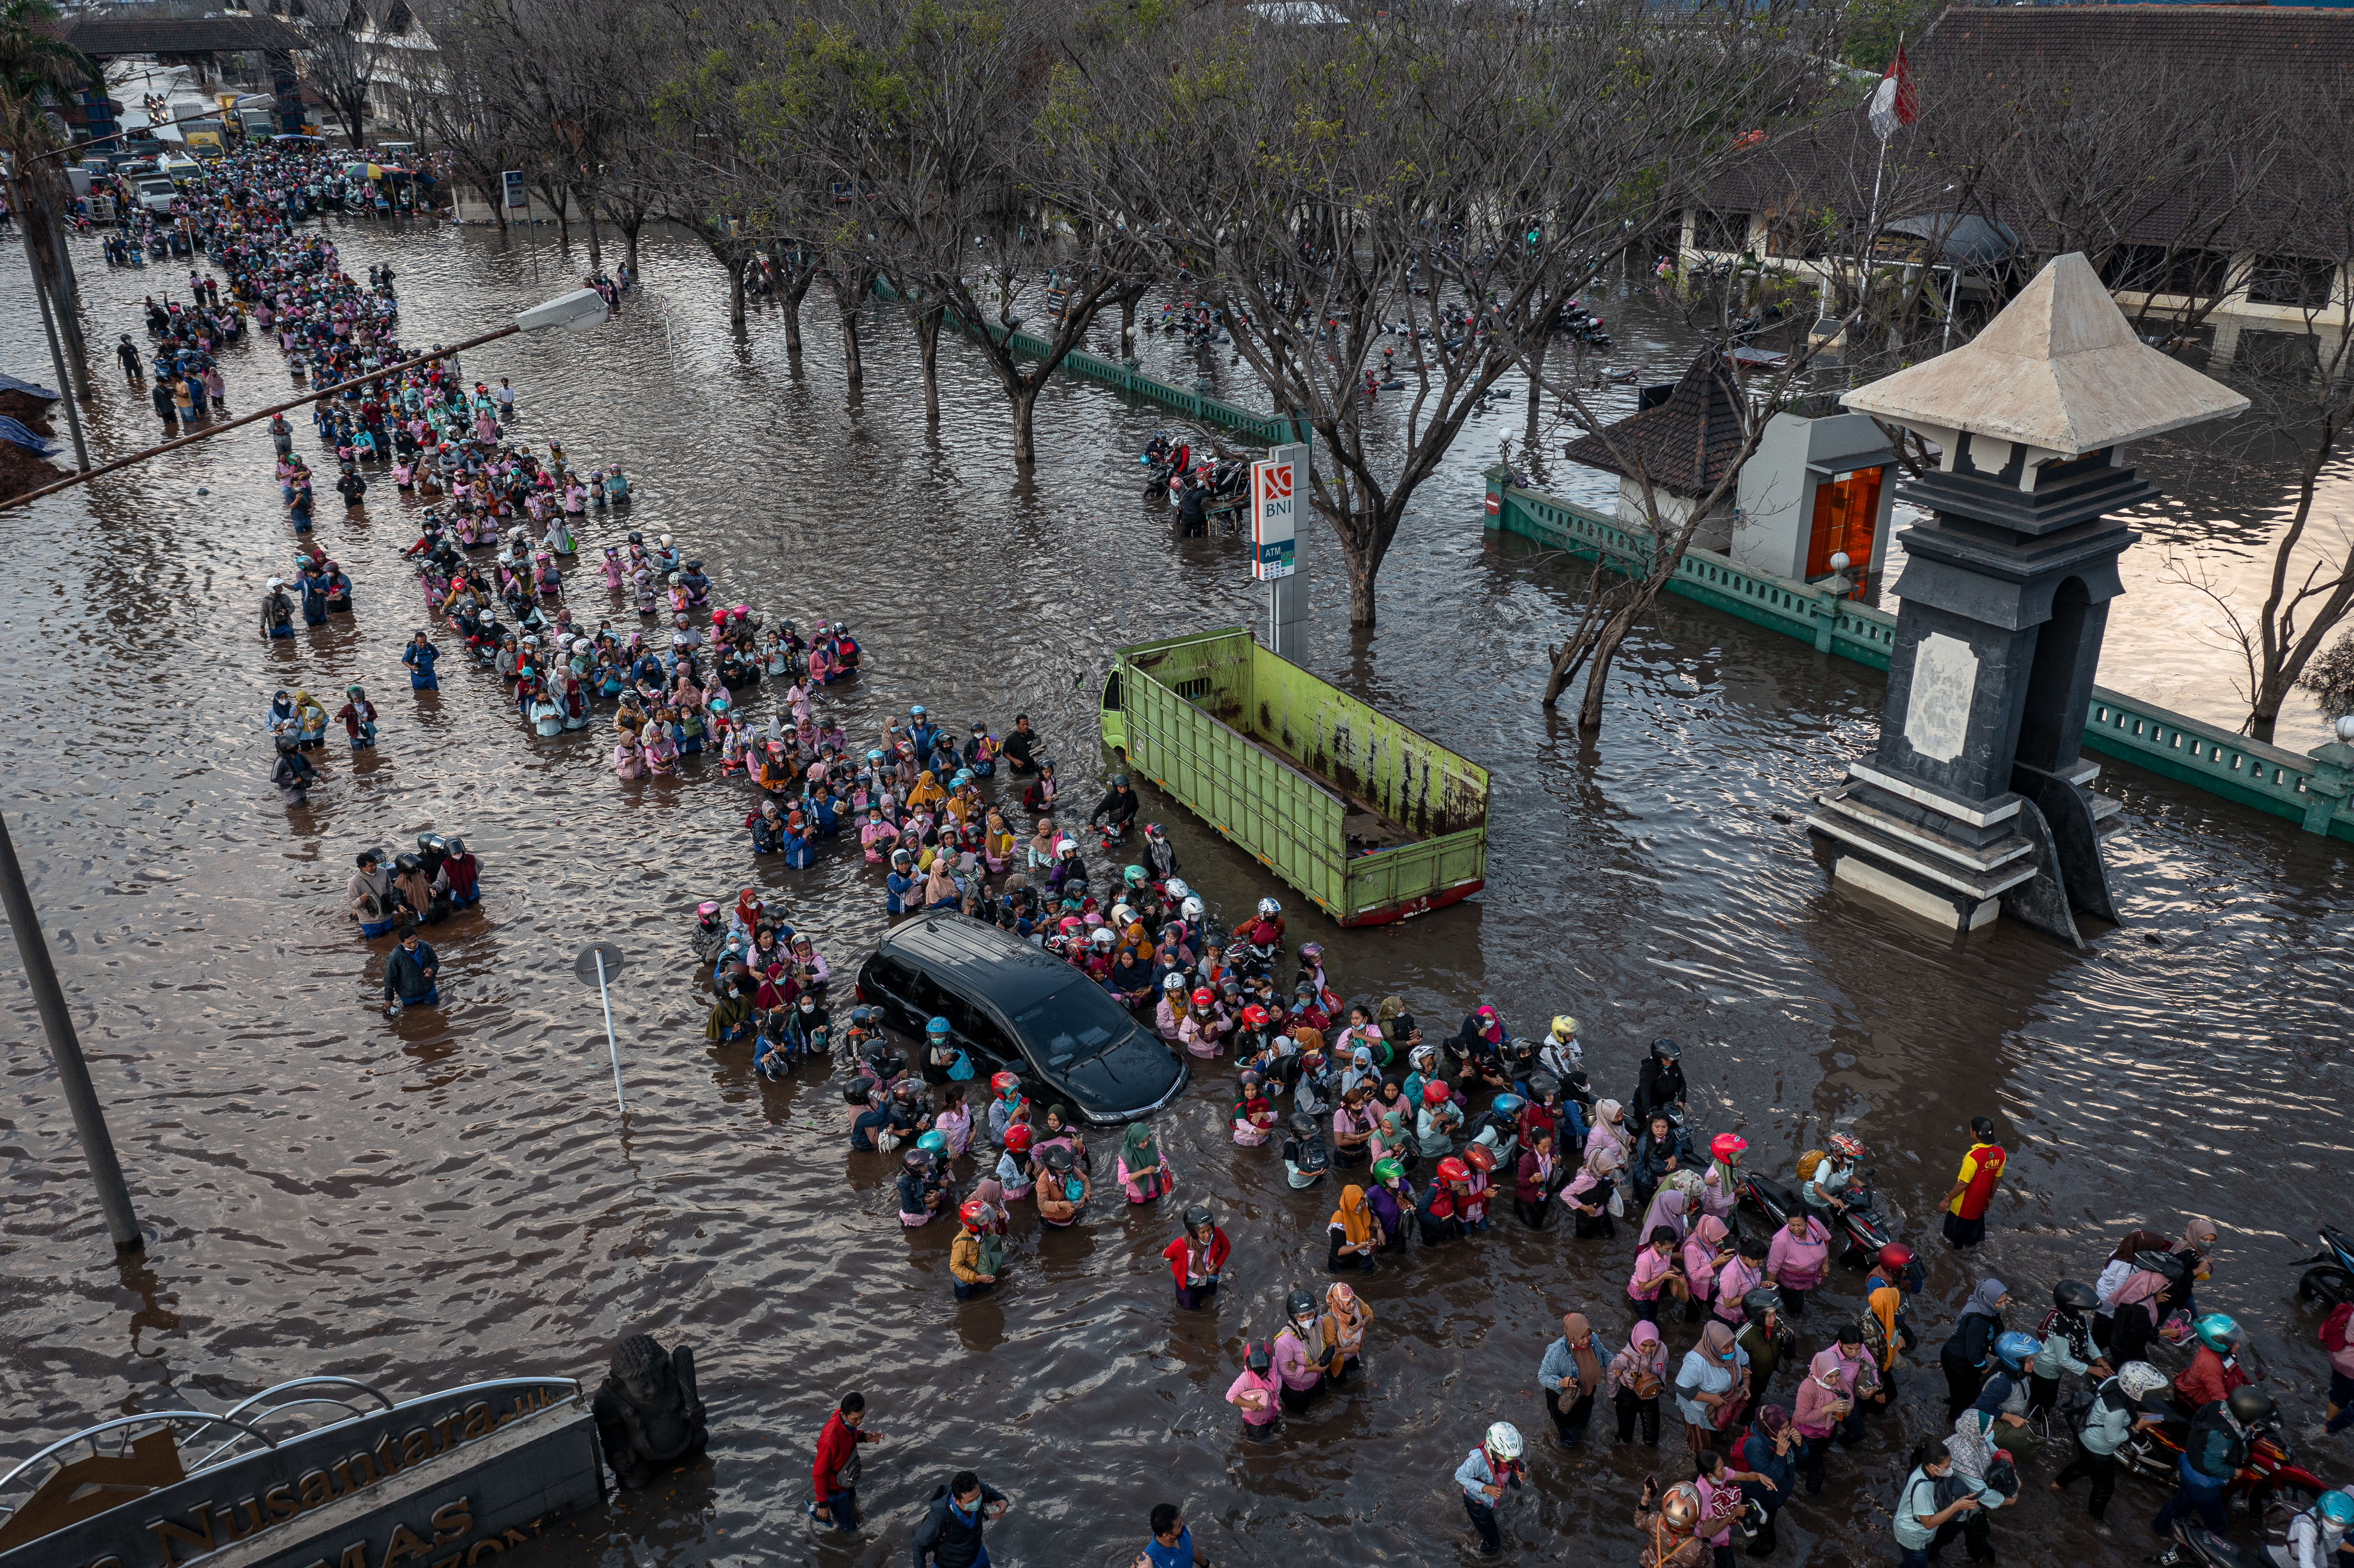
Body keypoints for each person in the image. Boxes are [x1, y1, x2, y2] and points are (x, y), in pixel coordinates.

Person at [2051, 1360, 2168, 1527]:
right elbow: (2114, 1438)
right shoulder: (2116, 1411)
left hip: (2086, 1435)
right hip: (2098, 1448)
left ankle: (2057, 1485)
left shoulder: (2114, 1382)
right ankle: (2095, 1522)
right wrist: (2137, 1427)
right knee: (2105, 1488)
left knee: (2084, 1466)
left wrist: (2137, 1414)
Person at [2153, 1386, 2276, 1540]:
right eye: (2256, 1423)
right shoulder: (2224, 1437)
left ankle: (2159, 1530)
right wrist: (2234, 1472)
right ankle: (2204, 1549)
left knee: (2180, 1505)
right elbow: (2212, 1465)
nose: (2257, 1426)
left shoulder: (2219, 1406)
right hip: (2202, 1482)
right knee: (2217, 1524)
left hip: (2188, 1461)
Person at [1893, 1442, 1984, 1568]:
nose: (1950, 1469)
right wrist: (1956, 1506)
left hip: (1925, 1533)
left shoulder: (1934, 1474)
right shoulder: (1922, 1488)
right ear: (1933, 1467)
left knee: (1913, 1563)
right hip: (1912, 1534)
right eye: (1946, 1466)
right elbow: (1928, 1523)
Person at [2030, 1279, 2107, 1417]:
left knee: (2047, 1396)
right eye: (2083, 1310)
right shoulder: (2060, 1326)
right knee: (2046, 1399)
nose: (2086, 1313)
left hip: (2056, 1366)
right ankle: (2037, 1418)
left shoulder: (2077, 1317)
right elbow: (2064, 1359)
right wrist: (2091, 1369)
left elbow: (2086, 1336)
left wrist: (2098, 1357)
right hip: (2047, 1367)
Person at [809, 1391, 880, 1531]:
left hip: (847, 1476)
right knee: (849, 1528)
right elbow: (818, 1473)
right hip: (835, 1489)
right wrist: (823, 1504)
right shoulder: (829, 1440)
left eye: (862, 1416)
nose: (859, 1422)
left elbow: (850, 1434)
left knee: (853, 1502)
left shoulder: (846, 1420)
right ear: (843, 1414)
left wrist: (863, 1436)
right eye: (856, 1419)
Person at [910, 1470, 1008, 1568]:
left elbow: (991, 1494)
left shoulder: (976, 1490)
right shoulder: (938, 1517)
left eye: (978, 1497)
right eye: (970, 1502)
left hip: (978, 1556)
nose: (976, 1503)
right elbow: (918, 1544)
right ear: (956, 1500)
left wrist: (1002, 1502)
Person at [1454, 1422, 1524, 1558]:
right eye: (1507, 1458)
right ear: (1494, 1450)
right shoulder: (1477, 1460)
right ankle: (1480, 1559)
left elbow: (1515, 1468)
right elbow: (1460, 1475)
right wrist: (1485, 1488)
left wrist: (1520, 1473)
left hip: (1490, 1501)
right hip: (1477, 1503)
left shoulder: (1509, 1458)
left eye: (1514, 1457)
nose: (1511, 1461)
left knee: (1488, 1528)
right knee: (1493, 1544)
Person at [1941, 1280, 2009, 1419]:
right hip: (1958, 1360)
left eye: (2005, 1301)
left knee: (1974, 1388)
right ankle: (1954, 1420)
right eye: (2000, 1302)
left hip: (1969, 1357)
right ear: (1988, 1300)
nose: (2004, 1305)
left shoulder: (1988, 1309)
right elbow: (1973, 1354)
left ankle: (1956, 1398)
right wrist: (1988, 1374)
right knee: (1963, 1397)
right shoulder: (1978, 1322)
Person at [1539, 1311, 1606, 1447]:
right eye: (1582, 1337)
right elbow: (1543, 1376)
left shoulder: (1594, 1340)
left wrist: (1618, 1364)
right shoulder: (1557, 1351)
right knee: (1570, 1440)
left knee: (1584, 1427)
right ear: (1573, 1335)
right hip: (1564, 1400)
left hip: (1586, 1395)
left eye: (1588, 1335)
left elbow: (1604, 1354)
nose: (1587, 1340)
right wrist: (1561, 1382)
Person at [1941, 1117, 2006, 1249]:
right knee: (1971, 1242)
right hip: (1979, 1207)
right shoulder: (2001, 1154)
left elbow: (1963, 1184)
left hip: (1962, 1209)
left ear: (1974, 1133)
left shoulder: (1972, 1157)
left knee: (1951, 1242)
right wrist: (1990, 1198)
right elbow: (1997, 1180)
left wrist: (1947, 1200)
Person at [1607, 1320, 1668, 1446]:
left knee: (1652, 1440)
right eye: (1644, 1345)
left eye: (1652, 1346)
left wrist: (1662, 1383)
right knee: (1625, 1439)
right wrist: (1614, 1396)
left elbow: (1664, 1366)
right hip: (1628, 1395)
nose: (1648, 1350)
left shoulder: (1662, 1349)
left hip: (1651, 1393)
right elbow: (1610, 1372)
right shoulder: (1624, 1357)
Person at [1272, 1287, 1332, 1414]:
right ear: (1294, 1318)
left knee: (1324, 1402)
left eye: (1310, 1315)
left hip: (1317, 1378)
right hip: (1295, 1389)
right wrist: (1312, 1368)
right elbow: (1284, 1371)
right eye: (1301, 1317)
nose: (1307, 1320)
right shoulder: (1285, 1341)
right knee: (1302, 1415)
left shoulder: (1317, 1323)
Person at [1766, 1208, 1830, 1318]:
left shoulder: (1814, 1224)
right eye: (1792, 1225)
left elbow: (1825, 1240)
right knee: (1795, 1307)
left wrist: (1825, 1262)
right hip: (1790, 1281)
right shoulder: (1781, 1241)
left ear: (1807, 1222)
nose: (1796, 1229)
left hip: (1809, 1275)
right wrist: (1770, 1294)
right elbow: (1772, 1268)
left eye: (1800, 1225)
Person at [1163, 1205, 1229, 1310]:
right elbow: (1166, 1254)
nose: (1207, 1235)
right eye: (1202, 1232)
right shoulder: (1180, 1245)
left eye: (1209, 1230)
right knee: (1189, 1309)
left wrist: (1217, 1265)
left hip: (1209, 1279)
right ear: (1193, 1233)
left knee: (1210, 1299)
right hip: (1188, 1283)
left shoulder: (1217, 1234)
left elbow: (1226, 1248)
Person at [949, 1199, 1003, 1300]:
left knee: (986, 1295)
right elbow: (955, 1267)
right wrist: (977, 1278)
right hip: (965, 1282)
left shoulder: (988, 1229)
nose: (987, 1221)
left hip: (983, 1273)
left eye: (987, 1217)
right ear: (972, 1224)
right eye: (982, 1220)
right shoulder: (961, 1242)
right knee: (965, 1302)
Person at [1226, 1341, 1282, 1441]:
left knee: (1279, 1437)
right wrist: (1249, 1404)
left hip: (1273, 1415)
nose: (1259, 1365)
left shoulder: (1274, 1364)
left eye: (1262, 1361)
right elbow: (1230, 1396)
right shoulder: (1246, 1378)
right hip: (1255, 1423)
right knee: (1265, 1444)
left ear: (1269, 1359)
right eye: (1255, 1362)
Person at [1136, 1502, 1210, 1568]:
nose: (1182, 1525)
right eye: (1179, 1525)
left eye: (1181, 1521)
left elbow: (1192, 1547)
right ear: (1166, 1535)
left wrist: (1205, 1566)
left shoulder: (1181, 1531)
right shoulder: (1151, 1561)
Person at [1632, 1037, 1686, 1124]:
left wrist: (1681, 1101)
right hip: (1649, 1105)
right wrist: (1648, 1113)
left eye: (1672, 1060)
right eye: (1666, 1060)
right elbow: (1644, 1091)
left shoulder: (1673, 1065)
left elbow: (1682, 1082)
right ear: (1658, 1057)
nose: (1670, 1062)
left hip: (1666, 1102)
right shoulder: (1648, 1069)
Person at [1119, 1120, 1175, 1204]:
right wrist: (1144, 1171)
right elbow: (1121, 1178)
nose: (1146, 1144)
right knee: (1140, 1209)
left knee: (1154, 1205)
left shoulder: (1151, 1145)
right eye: (1142, 1142)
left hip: (1154, 1187)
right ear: (1135, 1140)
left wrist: (1163, 1162)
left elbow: (1162, 1158)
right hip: (1138, 1192)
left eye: (1147, 1140)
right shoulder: (1125, 1155)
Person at [381, 930, 438, 1011]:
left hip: (429, 990)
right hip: (408, 996)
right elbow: (389, 979)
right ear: (402, 943)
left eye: (415, 941)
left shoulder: (425, 946)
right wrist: (389, 999)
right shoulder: (395, 956)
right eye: (409, 943)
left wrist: (432, 969)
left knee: (435, 1010)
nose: (413, 945)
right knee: (412, 1015)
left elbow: (435, 961)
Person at [1328, 1184, 1378, 1272]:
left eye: (1362, 1204)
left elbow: (1370, 1216)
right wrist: (1360, 1246)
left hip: (1361, 1256)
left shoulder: (1365, 1208)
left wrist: (1377, 1223)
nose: (1360, 1208)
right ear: (1348, 1203)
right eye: (1356, 1205)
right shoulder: (1338, 1222)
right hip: (1341, 1263)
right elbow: (1340, 1251)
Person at [349, 850, 397, 938]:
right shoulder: (354, 882)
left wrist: (391, 898)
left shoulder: (383, 872)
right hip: (370, 922)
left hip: (387, 917)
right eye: (371, 866)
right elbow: (352, 903)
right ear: (362, 867)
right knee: (373, 943)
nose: (375, 867)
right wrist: (360, 900)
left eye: (375, 864)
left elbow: (389, 886)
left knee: (391, 938)